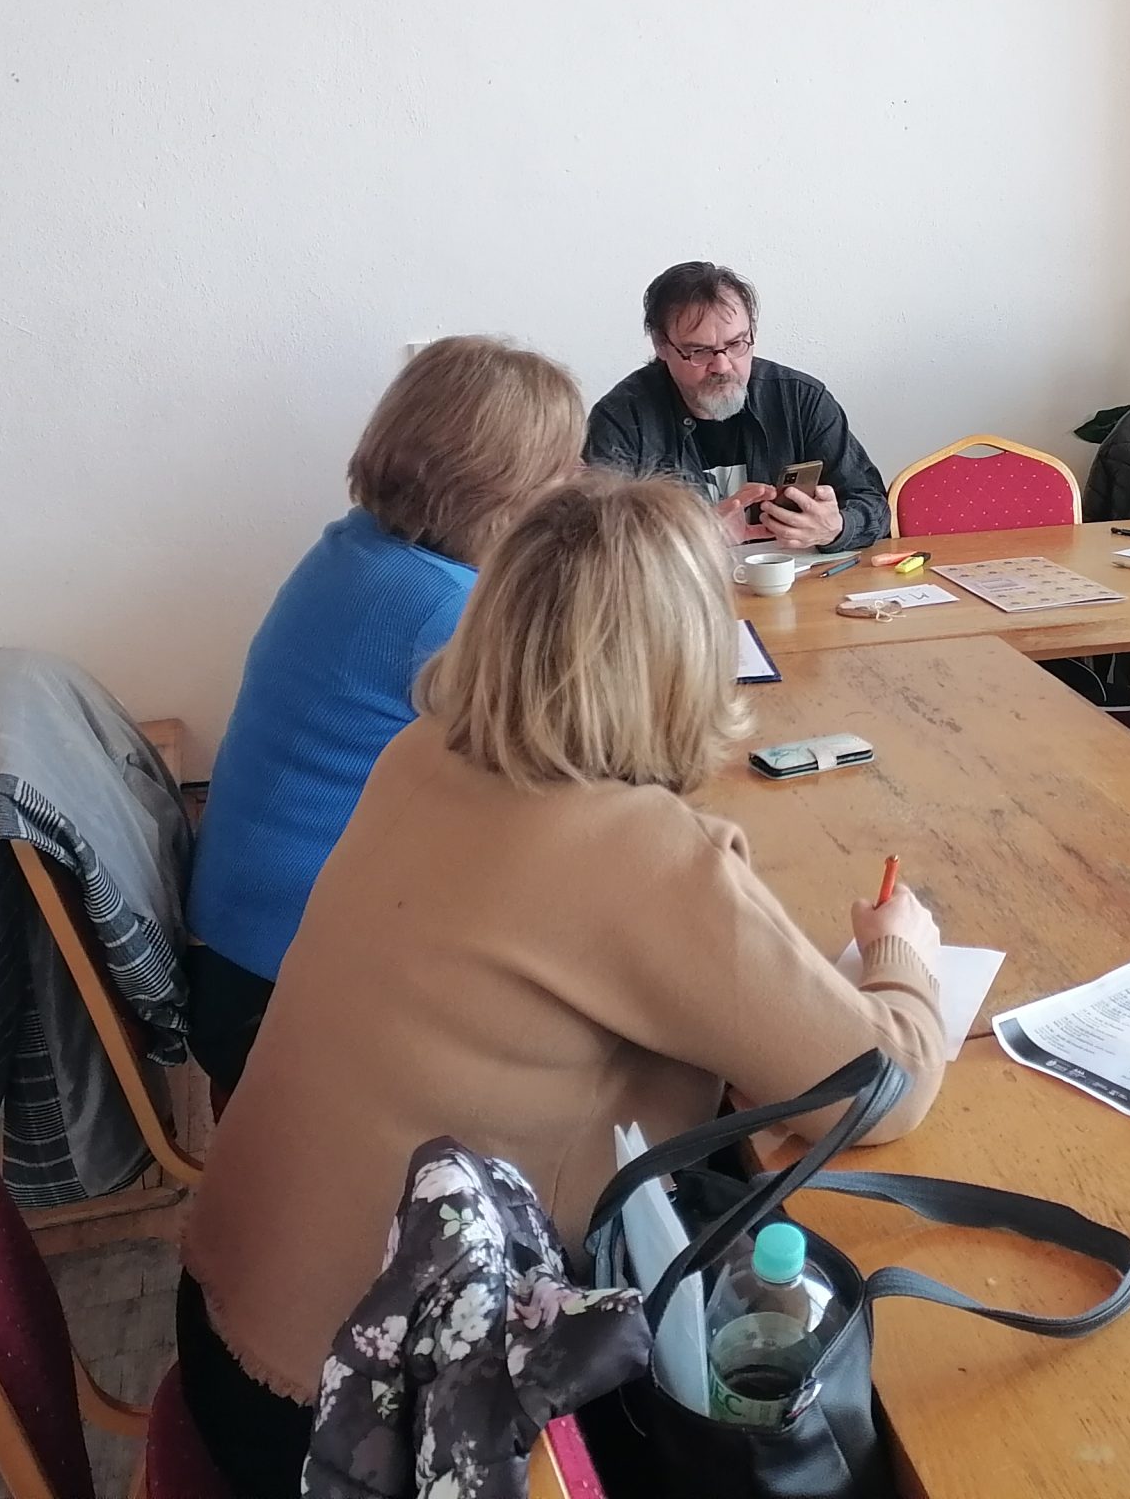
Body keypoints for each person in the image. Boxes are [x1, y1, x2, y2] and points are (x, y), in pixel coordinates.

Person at [174, 472, 947, 1498]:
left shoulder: (419, 754)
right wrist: (902, 956)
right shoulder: (638, 854)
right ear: (686, 661)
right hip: (371, 1434)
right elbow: (884, 1088)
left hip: (234, 1332)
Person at [184, 336, 584, 1095]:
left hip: (243, 950)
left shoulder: (358, 548)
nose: (575, 481)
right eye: (561, 465)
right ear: (500, 485)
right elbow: (569, 773)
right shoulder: (440, 608)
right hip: (286, 1004)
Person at [586, 260, 889, 550]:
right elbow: (596, 542)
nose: (722, 366)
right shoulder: (621, 420)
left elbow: (873, 503)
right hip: (680, 584)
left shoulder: (800, 399)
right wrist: (694, 537)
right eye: (699, 351)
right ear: (661, 346)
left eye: (736, 344)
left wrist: (837, 528)